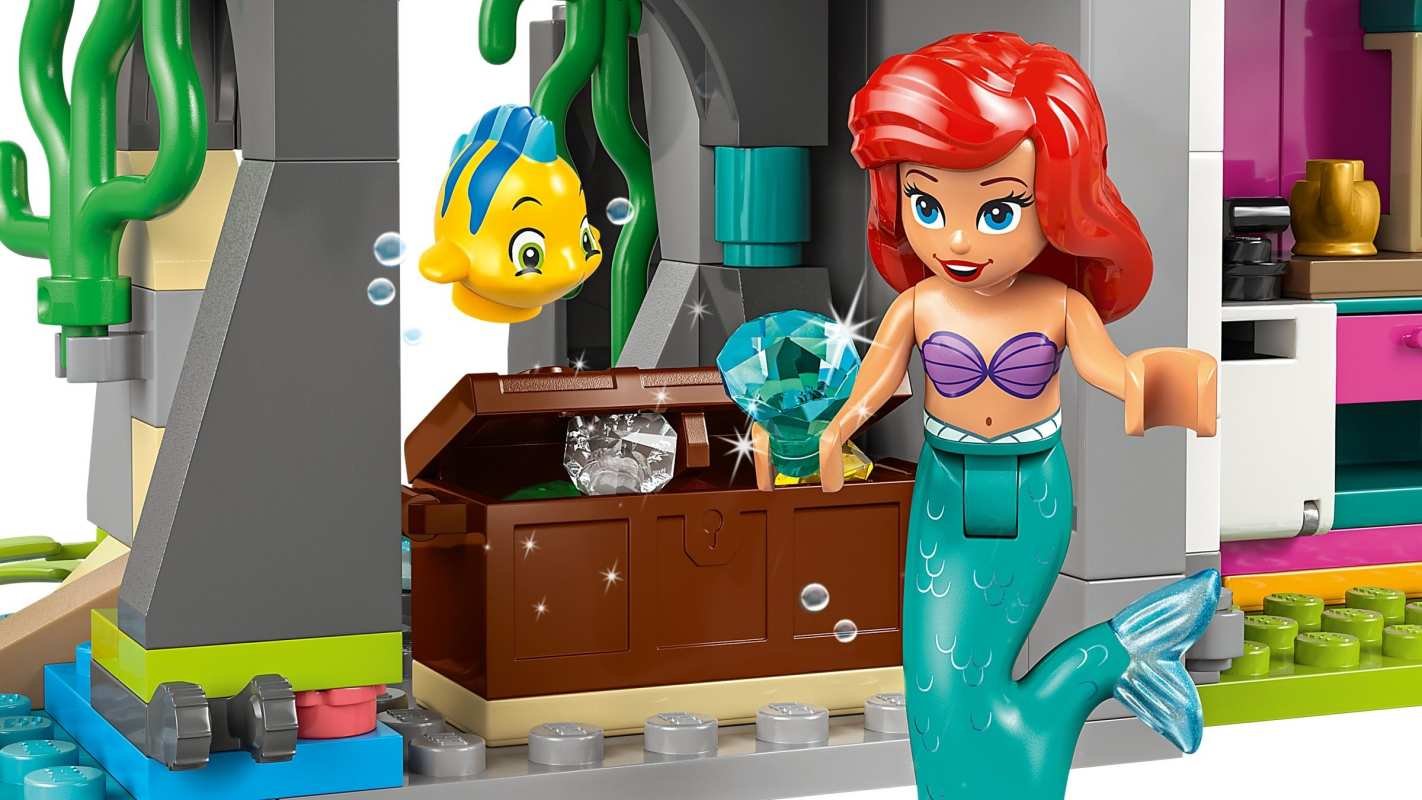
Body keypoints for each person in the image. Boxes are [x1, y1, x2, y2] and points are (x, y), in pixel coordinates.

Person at [756, 32, 1222, 799]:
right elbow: (875, 383)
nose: (958, 239)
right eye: (927, 204)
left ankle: (1109, 666)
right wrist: (833, 431)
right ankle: (1117, 657)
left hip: (1033, 492)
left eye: (998, 210)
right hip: (945, 493)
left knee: (964, 675)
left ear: (1059, 205)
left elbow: (1109, 370)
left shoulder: (1058, 304)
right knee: (938, 682)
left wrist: (1160, 385)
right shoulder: (920, 304)